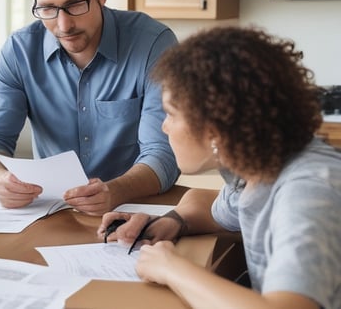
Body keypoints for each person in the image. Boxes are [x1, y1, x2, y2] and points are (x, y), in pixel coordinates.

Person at [100, 26, 341, 309]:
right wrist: (168, 222)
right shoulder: (258, 165)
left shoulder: (308, 191)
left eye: (171, 114)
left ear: (216, 128)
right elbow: (211, 207)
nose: (164, 127)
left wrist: (172, 270)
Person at [0, 0, 179, 215]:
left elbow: (164, 154)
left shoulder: (154, 45)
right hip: (50, 213)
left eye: (75, 4)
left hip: (133, 211)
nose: (63, 25)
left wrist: (115, 190)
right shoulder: (19, 52)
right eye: (47, 8)